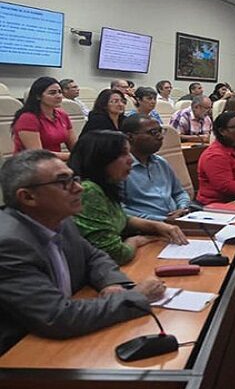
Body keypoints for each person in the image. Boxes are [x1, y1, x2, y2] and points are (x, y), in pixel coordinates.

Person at [0, 150, 167, 355]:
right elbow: (59, 317)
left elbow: (94, 257)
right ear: (28, 197)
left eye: (74, 178)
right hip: (20, 354)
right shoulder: (8, 244)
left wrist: (111, 283)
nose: (78, 188)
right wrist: (135, 297)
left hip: (62, 340)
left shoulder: (60, 219)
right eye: (64, 182)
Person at [68, 130, 187, 265]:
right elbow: (115, 253)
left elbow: (119, 217)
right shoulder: (88, 190)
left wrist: (156, 226)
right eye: (123, 154)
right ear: (101, 158)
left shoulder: (105, 185)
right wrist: (134, 241)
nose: (130, 160)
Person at [121, 115, 191, 221]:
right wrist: (161, 220)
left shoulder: (161, 162)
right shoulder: (120, 169)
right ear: (130, 137)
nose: (160, 137)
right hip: (145, 228)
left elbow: (179, 193)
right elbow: (120, 211)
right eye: (153, 133)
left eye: (160, 131)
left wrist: (182, 208)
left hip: (178, 221)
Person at [11, 77, 76, 161]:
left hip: (54, 163)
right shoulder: (28, 118)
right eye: (52, 93)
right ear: (38, 96)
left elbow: (74, 146)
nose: (59, 96)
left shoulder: (62, 115)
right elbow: (38, 154)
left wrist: (83, 155)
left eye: (60, 92)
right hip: (29, 166)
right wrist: (73, 156)